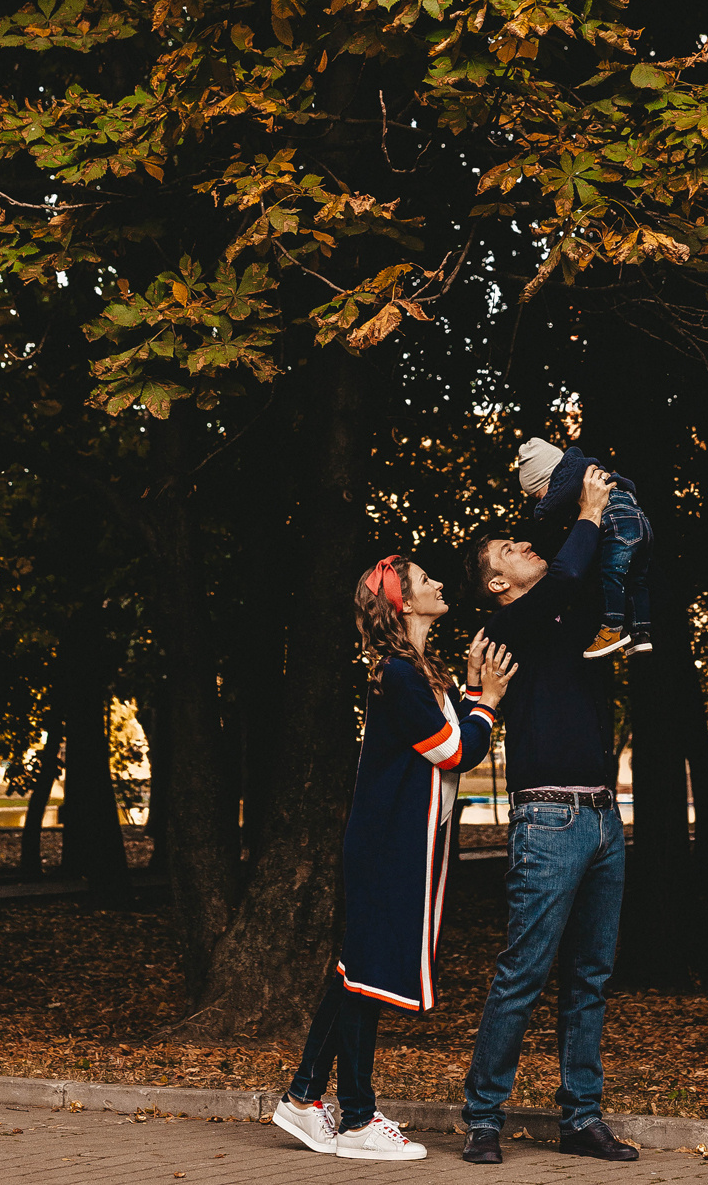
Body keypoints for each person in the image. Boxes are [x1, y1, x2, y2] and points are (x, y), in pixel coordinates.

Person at [273, 553, 517, 1163]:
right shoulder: (399, 675)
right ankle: (356, 1119)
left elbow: (447, 732)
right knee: (369, 978)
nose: (438, 583)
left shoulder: (412, 671)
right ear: (403, 602)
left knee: (357, 972)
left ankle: (304, 1099)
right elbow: (457, 752)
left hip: (394, 843)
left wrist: (469, 691)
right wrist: (488, 699)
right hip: (388, 846)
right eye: (424, 580)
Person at [459, 465, 638, 1164]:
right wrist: (587, 512)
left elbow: (593, 574)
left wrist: (597, 512)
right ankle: (481, 1115)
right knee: (523, 972)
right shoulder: (505, 625)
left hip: (603, 818)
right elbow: (564, 572)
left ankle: (580, 1116)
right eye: (506, 548)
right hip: (548, 821)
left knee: (589, 976)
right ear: (497, 584)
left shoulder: (571, 614)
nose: (521, 545)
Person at [517, 436, 653, 660]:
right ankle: (641, 633)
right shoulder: (585, 467)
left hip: (618, 523)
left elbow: (551, 503)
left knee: (611, 575)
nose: (539, 499)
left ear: (546, 477)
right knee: (636, 580)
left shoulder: (567, 474)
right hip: (639, 521)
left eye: (536, 494)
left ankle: (612, 628)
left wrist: (541, 511)